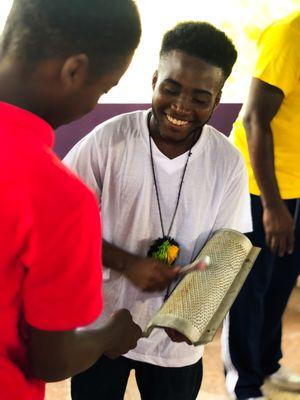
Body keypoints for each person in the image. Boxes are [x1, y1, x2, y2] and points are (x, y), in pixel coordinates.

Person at [64, 21, 253, 400]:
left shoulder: (227, 162)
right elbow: (62, 226)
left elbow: (228, 250)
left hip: (175, 343)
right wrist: (126, 263)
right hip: (102, 325)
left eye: (200, 97)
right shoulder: (108, 141)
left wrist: (198, 313)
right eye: (171, 88)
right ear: (154, 81)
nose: (181, 106)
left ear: (216, 100)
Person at [0, 1, 143, 399]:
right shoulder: (59, 197)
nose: (94, 103)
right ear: (74, 71)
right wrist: (108, 335)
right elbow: (51, 359)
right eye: (103, 89)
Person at [222, 11, 300, 400]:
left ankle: (268, 363)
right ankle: (245, 383)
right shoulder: (289, 34)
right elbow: (255, 120)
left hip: (297, 184)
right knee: (249, 286)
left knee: (281, 281)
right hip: (259, 185)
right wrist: (272, 206)